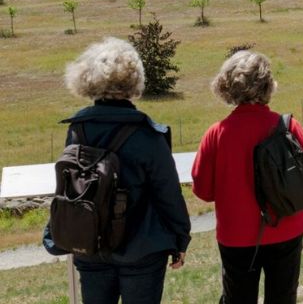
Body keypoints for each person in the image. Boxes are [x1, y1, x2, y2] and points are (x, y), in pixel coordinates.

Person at [42, 38, 191, 304]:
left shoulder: (77, 129)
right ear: (134, 82)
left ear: (88, 80)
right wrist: (180, 240)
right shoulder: (149, 135)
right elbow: (168, 195)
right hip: (142, 250)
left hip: (89, 245)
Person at [192, 50, 303, 304]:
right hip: (286, 229)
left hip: (236, 237)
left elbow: (203, 191)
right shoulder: (289, 128)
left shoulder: (216, 134)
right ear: (267, 85)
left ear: (226, 87)